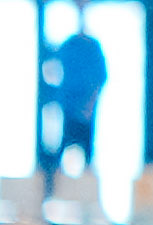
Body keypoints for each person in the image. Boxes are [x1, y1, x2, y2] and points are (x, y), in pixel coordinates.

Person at [40, 20, 107, 180]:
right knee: (58, 150)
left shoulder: (92, 48)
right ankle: (51, 184)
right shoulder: (67, 47)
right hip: (66, 109)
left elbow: (101, 77)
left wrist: (89, 104)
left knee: (87, 152)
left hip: (83, 111)